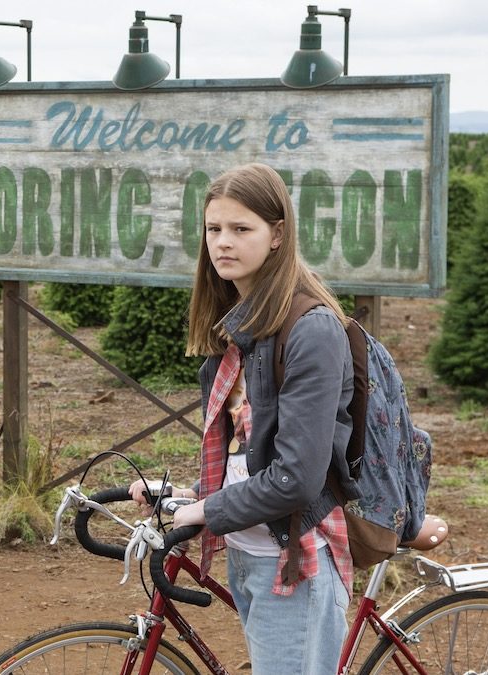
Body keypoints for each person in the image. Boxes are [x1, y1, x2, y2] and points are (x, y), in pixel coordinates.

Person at [129, 163, 354, 675]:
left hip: (294, 557)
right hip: (248, 548)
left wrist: (207, 513)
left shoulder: (310, 330)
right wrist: (188, 496)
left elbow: (296, 478)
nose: (222, 243)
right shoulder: (240, 330)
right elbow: (247, 456)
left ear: (278, 234)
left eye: (240, 229)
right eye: (214, 229)